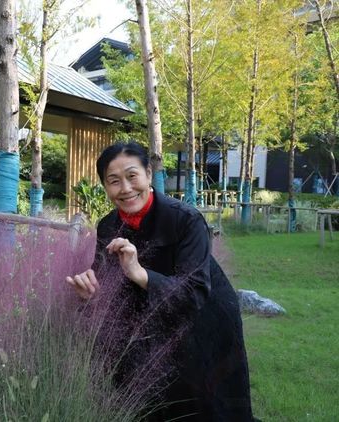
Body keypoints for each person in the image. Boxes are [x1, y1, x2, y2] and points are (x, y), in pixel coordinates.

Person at [65, 142, 253, 421]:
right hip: (147, 322)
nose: (125, 188)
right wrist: (89, 291)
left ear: (149, 174)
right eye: (113, 181)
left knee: (203, 400)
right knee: (148, 397)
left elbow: (194, 292)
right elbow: (105, 280)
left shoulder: (186, 220)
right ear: (105, 186)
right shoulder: (108, 225)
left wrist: (140, 274)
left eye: (132, 176)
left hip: (204, 316)